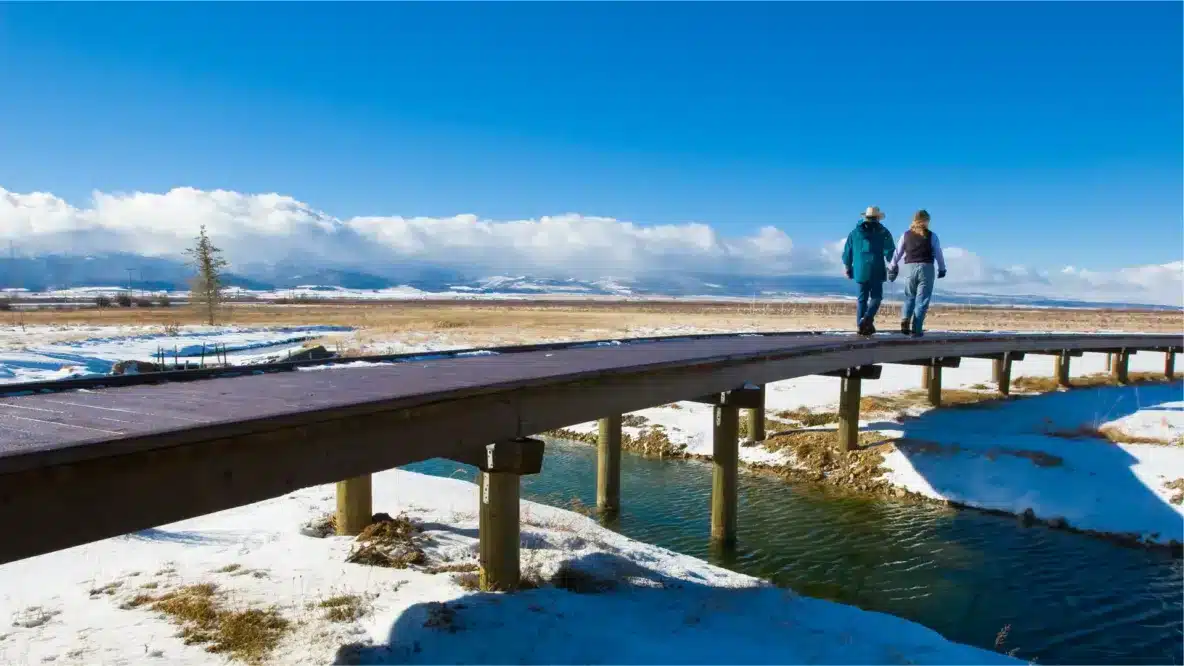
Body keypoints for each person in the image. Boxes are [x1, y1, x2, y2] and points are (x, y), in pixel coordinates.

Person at [887, 209, 947, 337]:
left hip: (910, 268)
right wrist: (942, 268)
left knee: (910, 296)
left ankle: (905, 319)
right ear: (926, 221)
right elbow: (938, 254)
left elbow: (898, 252)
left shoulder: (906, 235)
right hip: (927, 269)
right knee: (922, 300)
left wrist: (892, 266)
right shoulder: (932, 236)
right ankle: (916, 329)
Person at [841, 206, 896, 336]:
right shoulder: (883, 232)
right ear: (877, 218)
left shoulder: (854, 233)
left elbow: (847, 253)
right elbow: (890, 252)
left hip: (860, 270)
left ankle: (862, 326)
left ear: (865, 217)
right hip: (876, 268)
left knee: (862, 299)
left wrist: (848, 267)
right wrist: (893, 265)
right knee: (876, 297)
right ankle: (867, 319)